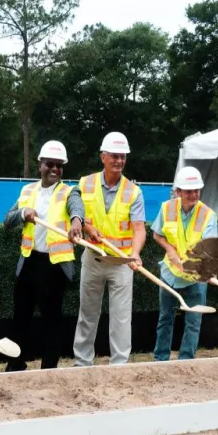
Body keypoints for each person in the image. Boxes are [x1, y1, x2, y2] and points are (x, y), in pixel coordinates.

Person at [4, 140, 84, 371]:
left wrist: (77, 222)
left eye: (59, 165)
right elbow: (8, 220)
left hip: (55, 265)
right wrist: (23, 213)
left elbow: (77, 208)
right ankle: (15, 364)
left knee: (51, 319)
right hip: (29, 262)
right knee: (21, 316)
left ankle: (49, 368)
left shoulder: (69, 191)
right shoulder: (27, 191)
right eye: (50, 164)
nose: (55, 169)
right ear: (40, 164)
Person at [72, 132, 146, 366]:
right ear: (103, 157)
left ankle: (119, 365)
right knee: (87, 313)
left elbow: (139, 228)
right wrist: (86, 227)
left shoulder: (133, 192)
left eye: (123, 156)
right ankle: (82, 363)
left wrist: (135, 254)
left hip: (121, 262)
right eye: (114, 156)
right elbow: (74, 213)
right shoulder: (85, 184)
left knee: (121, 317)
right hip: (93, 258)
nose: (119, 161)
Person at [151, 166, 218, 361]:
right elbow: (157, 234)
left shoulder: (208, 215)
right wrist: (170, 250)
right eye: (189, 191)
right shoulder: (167, 208)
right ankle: (160, 360)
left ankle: (186, 361)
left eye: (197, 190)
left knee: (193, 321)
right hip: (170, 273)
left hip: (195, 277)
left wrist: (209, 271)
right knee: (165, 318)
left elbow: (211, 250)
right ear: (178, 192)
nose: (194, 195)